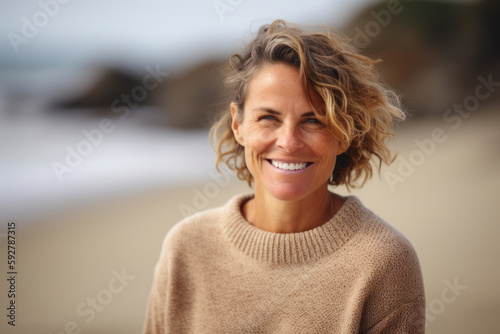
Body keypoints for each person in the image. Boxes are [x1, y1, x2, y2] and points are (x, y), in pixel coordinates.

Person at [143, 19, 425, 333]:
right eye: (268, 117)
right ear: (238, 125)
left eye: (314, 121)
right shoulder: (186, 248)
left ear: (345, 131)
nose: (288, 142)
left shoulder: (384, 262)